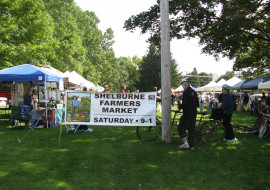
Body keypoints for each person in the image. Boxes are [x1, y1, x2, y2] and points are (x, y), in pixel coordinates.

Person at [177, 78, 198, 151]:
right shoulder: (194, 92)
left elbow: (185, 104)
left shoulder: (186, 92)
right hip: (193, 113)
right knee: (191, 129)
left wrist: (179, 106)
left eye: (183, 85)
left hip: (187, 113)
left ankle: (185, 143)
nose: (183, 86)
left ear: (185, 84)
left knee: (181, 127)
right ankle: (192, 146)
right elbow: (197, 103)